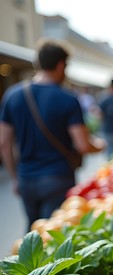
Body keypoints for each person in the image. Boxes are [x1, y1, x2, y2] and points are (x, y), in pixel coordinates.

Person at [0, 39, 105, 232]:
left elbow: (4, 142)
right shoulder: (67, 99)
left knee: (32, 233)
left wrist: (15, 177)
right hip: (58, 177)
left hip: (26, 178)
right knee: (54, 235)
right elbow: (82, 145)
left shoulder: (12, 95)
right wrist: (100, 145)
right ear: (60, 65)